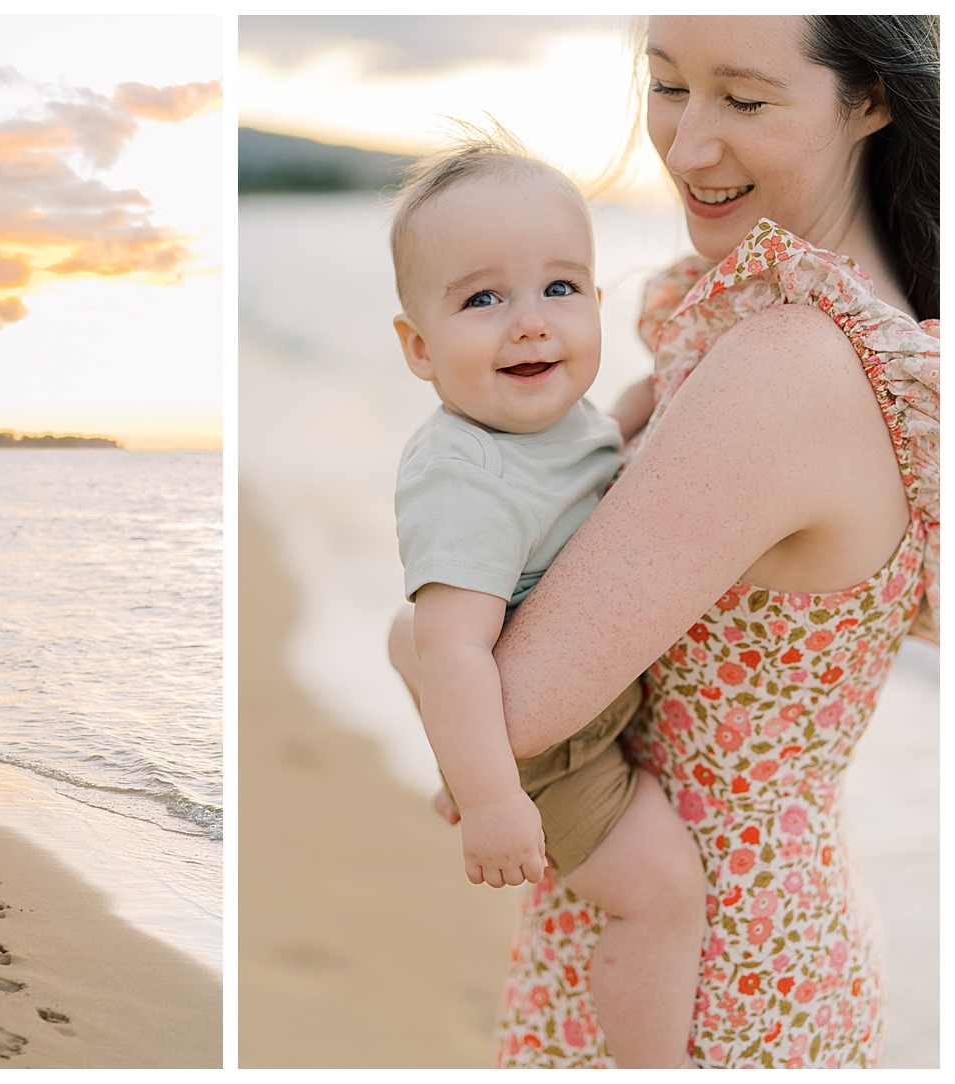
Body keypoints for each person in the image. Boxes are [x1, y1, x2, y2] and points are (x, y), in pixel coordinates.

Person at [388, 13, 937, 1068]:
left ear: (869, 98)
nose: (685, 147)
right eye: (667, 85)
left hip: (710, 973)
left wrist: (407, 641)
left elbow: (519, 710)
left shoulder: (787, 360)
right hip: (740, 917)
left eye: (742, 97)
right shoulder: (810, 324)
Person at [389, 131, 704, 1068]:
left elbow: (587, 453)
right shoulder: (463, 476)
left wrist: (669, 391)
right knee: (661, 893)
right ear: (417, 346)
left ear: (597, 304)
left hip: (563, 700)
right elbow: (454, 649)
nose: (530, 322)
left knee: (409, 638)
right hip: (558, 749)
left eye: (559, 289)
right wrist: (492, 801)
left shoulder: (556, 421)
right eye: (483, 299)